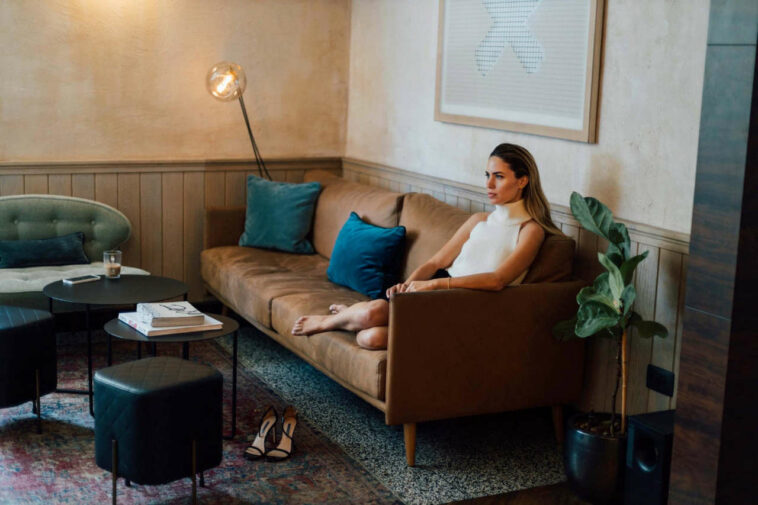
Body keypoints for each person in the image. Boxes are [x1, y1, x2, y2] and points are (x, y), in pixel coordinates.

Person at [291, 143, 562, 350]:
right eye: (487, 175)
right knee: (375, 313)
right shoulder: (479, 220)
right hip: (434, 291)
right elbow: (436, 263)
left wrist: (433, 286)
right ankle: (333, 319)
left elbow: (497, 280)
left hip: (465, 305)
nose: (489, 184)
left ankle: (348, 315)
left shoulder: (531, 230)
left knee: (370, 338)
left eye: (499, 176)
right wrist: (405, 289)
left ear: (522, 180)